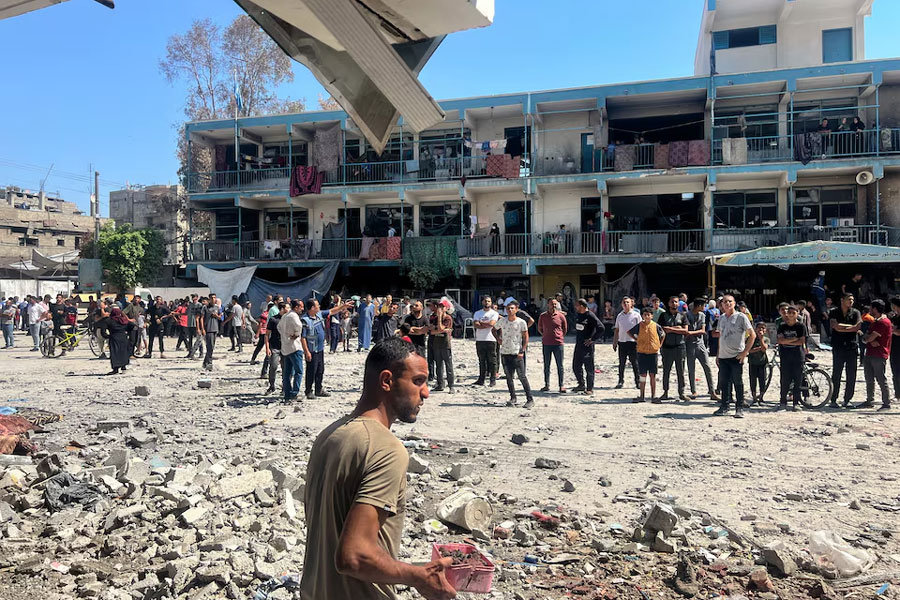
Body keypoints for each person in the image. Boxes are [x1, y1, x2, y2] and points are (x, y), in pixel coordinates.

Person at [300, 337, 456, 600]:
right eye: (418, 381)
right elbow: (353, 556)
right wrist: (418, 577)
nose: (426, 392)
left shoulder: (330, 435)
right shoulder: (386, 449)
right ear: (387, 381)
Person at [713, 294, 755, 418]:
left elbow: (752, 335)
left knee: (738, 382)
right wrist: (718, 354)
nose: (727, 304)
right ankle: (724, 406)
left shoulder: (741, 317)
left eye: (730, 301)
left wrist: (745, 352)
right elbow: (721, 336)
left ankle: (739, 407)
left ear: (734, 303)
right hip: (723, 356)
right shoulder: (721, 318)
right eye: (725, 302)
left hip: (736, 356)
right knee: (724, 382)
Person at [302, 298, 350, 400]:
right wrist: (306, 351)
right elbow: (303, 338)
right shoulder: (305, 320)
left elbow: (332, 311)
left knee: (320, 369)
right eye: (317, 305)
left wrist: (343, 306)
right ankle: (308, 391)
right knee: (311, 370)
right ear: (312, 308)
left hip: (320, 348)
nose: (319, 307)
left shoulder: (318, 315)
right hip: (312, 349)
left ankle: (318, 389)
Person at [493, 300, 533, 408]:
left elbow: (525, 337)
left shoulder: (521, 322)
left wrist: (522, 350)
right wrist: (498, 339)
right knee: (509, 377)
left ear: (516, 309)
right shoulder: (502, 321)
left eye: (512, 308)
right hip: (505, 352)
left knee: (522, 376)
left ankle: (530, 399)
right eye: (508, 308)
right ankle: (513, 397)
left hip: (517, 352)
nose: (510, 310)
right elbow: (494, 329)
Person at [858, 299, 892, 411]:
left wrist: (868, 339)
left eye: (871, 308)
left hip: (879, 354)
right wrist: (868, 339)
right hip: (870, 352)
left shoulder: (883, 322)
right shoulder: (875, 322)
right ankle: (869, 400)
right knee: (869, 378)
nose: (870, 310)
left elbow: (869, 337)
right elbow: (867, 337)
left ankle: (886, 403)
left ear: (876, 309)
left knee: (881, 379)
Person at [829, 293, 862, 407]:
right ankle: (833, 399)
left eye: (852, 299)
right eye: (849, 299)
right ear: (842, 300)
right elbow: (834, 326)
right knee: (836, 373)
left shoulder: (856, 312)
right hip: (838, 346)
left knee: (851, 374)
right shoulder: (834, 312)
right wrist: (850, 328)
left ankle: (847, 399)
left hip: (851, 346)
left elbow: (858, 327)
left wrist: (842, 328)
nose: (851, 301)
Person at [685, 298, 720, 401]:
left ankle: (712, 391)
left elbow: (703, 330)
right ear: (699, 305)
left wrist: (691, 333)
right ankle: (693, 390)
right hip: (690, 345)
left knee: (707, 367)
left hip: (700, 344)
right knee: (691, 369)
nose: (704, 307)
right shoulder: (687, 315)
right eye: (703, 305)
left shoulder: (702, 315)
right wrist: (694, 332)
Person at [628, 307, 665, 403]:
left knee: (652, 375)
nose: (647, 316)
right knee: (643, 375)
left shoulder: (656, 326)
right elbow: (629, 332)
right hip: (642, 352)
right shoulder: (639, 325)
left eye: (649, 315)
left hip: (653, 353)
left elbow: (663, 334)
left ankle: (653, 396)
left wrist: (659, 345)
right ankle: (642, 395)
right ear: (642, 316)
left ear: (652, 316)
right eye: (645, 315)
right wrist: (637, 340)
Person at [656, 296, 689, 402]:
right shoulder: (663, 315)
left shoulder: (683, 315)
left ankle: (681, 392)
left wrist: (670, 329)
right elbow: (661, 330)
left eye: (676, 302)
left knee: (681, 371)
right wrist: (677, 328)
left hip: (680, 346)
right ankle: (665, 392)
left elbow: (685, 331)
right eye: (672, 302)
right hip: (667, 347)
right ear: (669, 303)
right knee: (666, 370)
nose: (674, 304)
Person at [776, 305, 807, 412]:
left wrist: (787, 340)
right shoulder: (782, 326)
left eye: (793, 313)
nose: (791, 315)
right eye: (789, 313)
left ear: (797, 314)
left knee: (798, 381)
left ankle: (796, 402)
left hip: (798, 356)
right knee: (784, 380)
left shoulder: (801, 326)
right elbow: (780, 341)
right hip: (785, 356)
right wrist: (793, 340)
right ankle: (782, 402)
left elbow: (801, 341)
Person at [572, 299, 603, 395]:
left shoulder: (590, 315)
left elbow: (601, 328)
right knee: (576, 366)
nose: (575, 307)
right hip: (579, 344)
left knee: (589, 367)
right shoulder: (578, 315)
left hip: (587, 346)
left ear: (582, 306)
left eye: (577, 305)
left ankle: (590, 388)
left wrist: (592, 339)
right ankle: (581, 384)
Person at [538, 299, 568, 393]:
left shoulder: (561, 316)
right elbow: (539, 328)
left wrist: (559, 336)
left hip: (558, 343)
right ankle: (546, 385)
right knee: (547, 365)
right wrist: (545, 335)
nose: (553, 305)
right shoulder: (543, 316)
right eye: (552, 304)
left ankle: (561, 385)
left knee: (560, 365)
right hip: (546, 343)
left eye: (555, 304)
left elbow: (565, 328)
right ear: (548, 304)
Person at [278, 299, 305, 402]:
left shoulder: (285, 316)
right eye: (301, 307)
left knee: (287, 372)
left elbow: (279, 327)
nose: (302, 309)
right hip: (294, 346)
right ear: (296, 307)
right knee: (298, 371)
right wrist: (296, 334)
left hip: (285, 347)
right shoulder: (293, 316)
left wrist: (285, 335)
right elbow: (299, 326)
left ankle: (287, 394)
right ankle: (294, 392)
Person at [613, 296, 641, 389]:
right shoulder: (619, 316)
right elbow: (617, 330)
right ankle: (620, 381)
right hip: (622, 342)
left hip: (633, 342)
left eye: (628, 302)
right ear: (621, 304)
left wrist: (640, 341)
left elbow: (641, 329)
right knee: (621, 363)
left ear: (631, 303)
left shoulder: (636, 315)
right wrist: (615, 342)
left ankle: (638, 382)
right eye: (624, 303)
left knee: (635, 363)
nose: (626, 304)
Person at [472, 296, 499, 387]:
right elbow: (476, 325)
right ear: (482, 302)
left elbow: (492, 324)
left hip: (491, 339)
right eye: (485, 301)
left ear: (491, 303)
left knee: (492, 361)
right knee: (481, 360)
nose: (487, 303)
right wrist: (486, 324)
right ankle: (481, 379)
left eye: (489, 301)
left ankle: (492, 379)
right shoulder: (477, 313)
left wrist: (481, 323)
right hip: (480, 339)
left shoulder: (494, 313)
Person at [429, 299, 455, 393]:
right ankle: (440, 384)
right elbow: (431, 331)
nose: (440, 308)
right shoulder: (434, 317)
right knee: (438, 365)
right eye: (439, 306)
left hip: (445, 344)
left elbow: (440, 328)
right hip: (437, 343)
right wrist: (439, 329)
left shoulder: (448, 318)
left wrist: (439, 319)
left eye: (442, 307)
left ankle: (451, 385)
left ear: (446, 308)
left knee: (448, 365)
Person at [101, 307, 134, 375]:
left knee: (115, 353)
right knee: (123, 352)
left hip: (114, 337)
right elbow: (132, 325)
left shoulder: (109, 321)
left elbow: (103, 331)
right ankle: (123, 366)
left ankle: (115, 369)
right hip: (123, 337)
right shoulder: (123, 320)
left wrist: (108, 336)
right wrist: (127, 332)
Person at [264, 303, 287, 395]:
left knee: (285, 368)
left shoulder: (288, 319)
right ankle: (272, 385)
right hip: (275, 347)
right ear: (281, 309)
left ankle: (285, 387)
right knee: (273, 366)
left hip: (286, 347)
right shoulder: (273, 319)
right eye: (286, 308)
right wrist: (267, 348)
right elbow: (267, 334)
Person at [747, 322, 769, 405]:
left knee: (762, 380)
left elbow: (764, 349)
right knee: (753, 380)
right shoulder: (751, 338)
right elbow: (749, 350)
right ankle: (754, 397)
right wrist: (759, 348)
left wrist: (761, 339)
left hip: (762, 363)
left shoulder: (766, 339)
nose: (760, 329)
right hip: (752, 362)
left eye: (763, 328)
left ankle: (761, 397)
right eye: (759, 328)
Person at [197, 296, 219, 371]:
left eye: (214, 298)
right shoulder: (205, 307)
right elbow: (201, 318)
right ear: (209, 299)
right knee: (209, 346)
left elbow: (220, 317)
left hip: (215, 328)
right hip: (208, 329)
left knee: (212, 347)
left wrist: (217, 316)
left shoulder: (216, 307)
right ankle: (209, 363)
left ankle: (205, 362)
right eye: (212, 298)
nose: (213, 299)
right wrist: (202, 328)